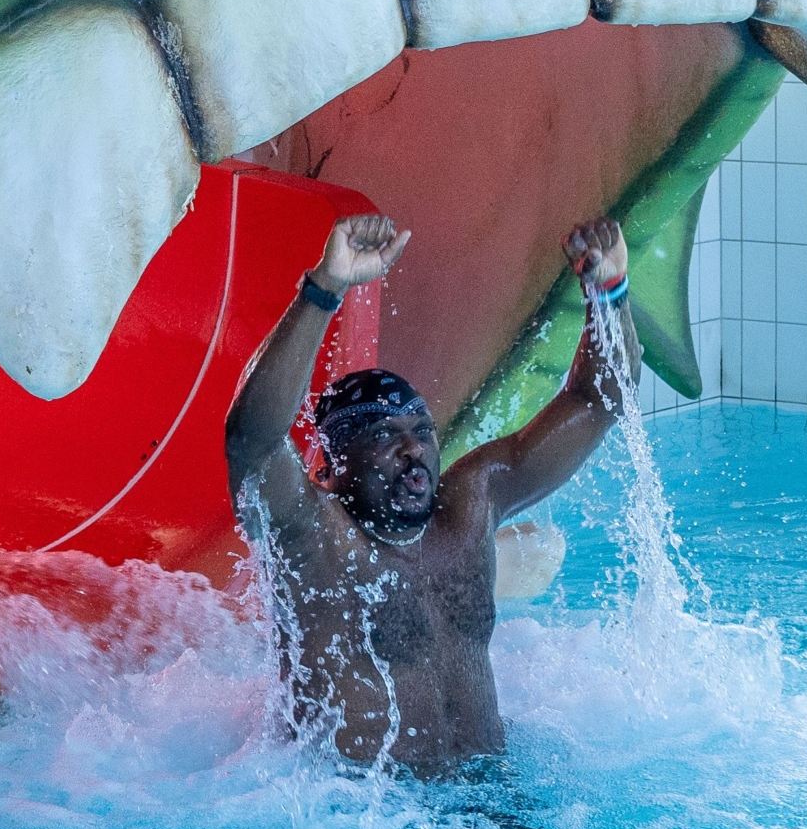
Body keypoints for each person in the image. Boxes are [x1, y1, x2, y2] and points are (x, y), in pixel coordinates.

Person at [225, 212, 641, 772]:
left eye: (421, 430)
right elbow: (252, 438)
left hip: (490, 802)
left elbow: (600, 399)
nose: (413, 449)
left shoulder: (472, 505)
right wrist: (325, 290)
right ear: (334, 463)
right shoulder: (310, 537)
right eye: (384, 436)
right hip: (367, 827)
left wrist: (610, 291)